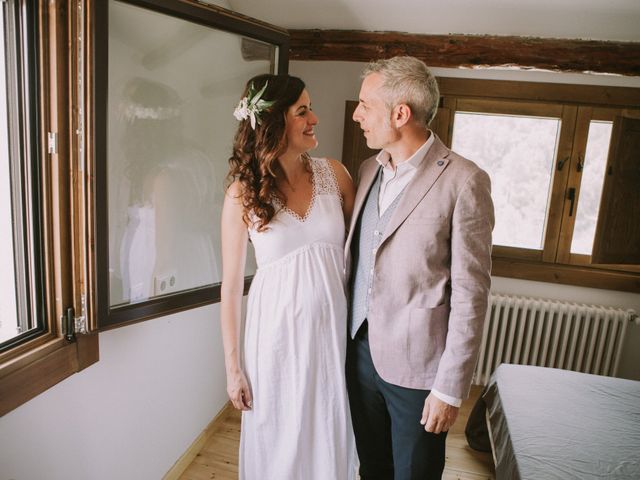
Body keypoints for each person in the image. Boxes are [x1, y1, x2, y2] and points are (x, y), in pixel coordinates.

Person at [345, 56, 495, 479]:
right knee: (372, 468)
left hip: (419, 370)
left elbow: (472, 295)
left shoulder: (465, 181)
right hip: (358, 353)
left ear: (400, 113)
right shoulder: (367, 169)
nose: (357, 115)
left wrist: (449, 388)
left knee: (415, 474)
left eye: (365, 105)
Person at [220, 74, 357, 479]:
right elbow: (229, 289)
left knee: (328, 436)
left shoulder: (336, 175)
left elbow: (366, 256)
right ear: (274, 122)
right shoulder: (243, 194)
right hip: (275, 343)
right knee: (278, 443)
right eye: (302, 111)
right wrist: (233, 369)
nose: (314, 117)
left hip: (332, 339)